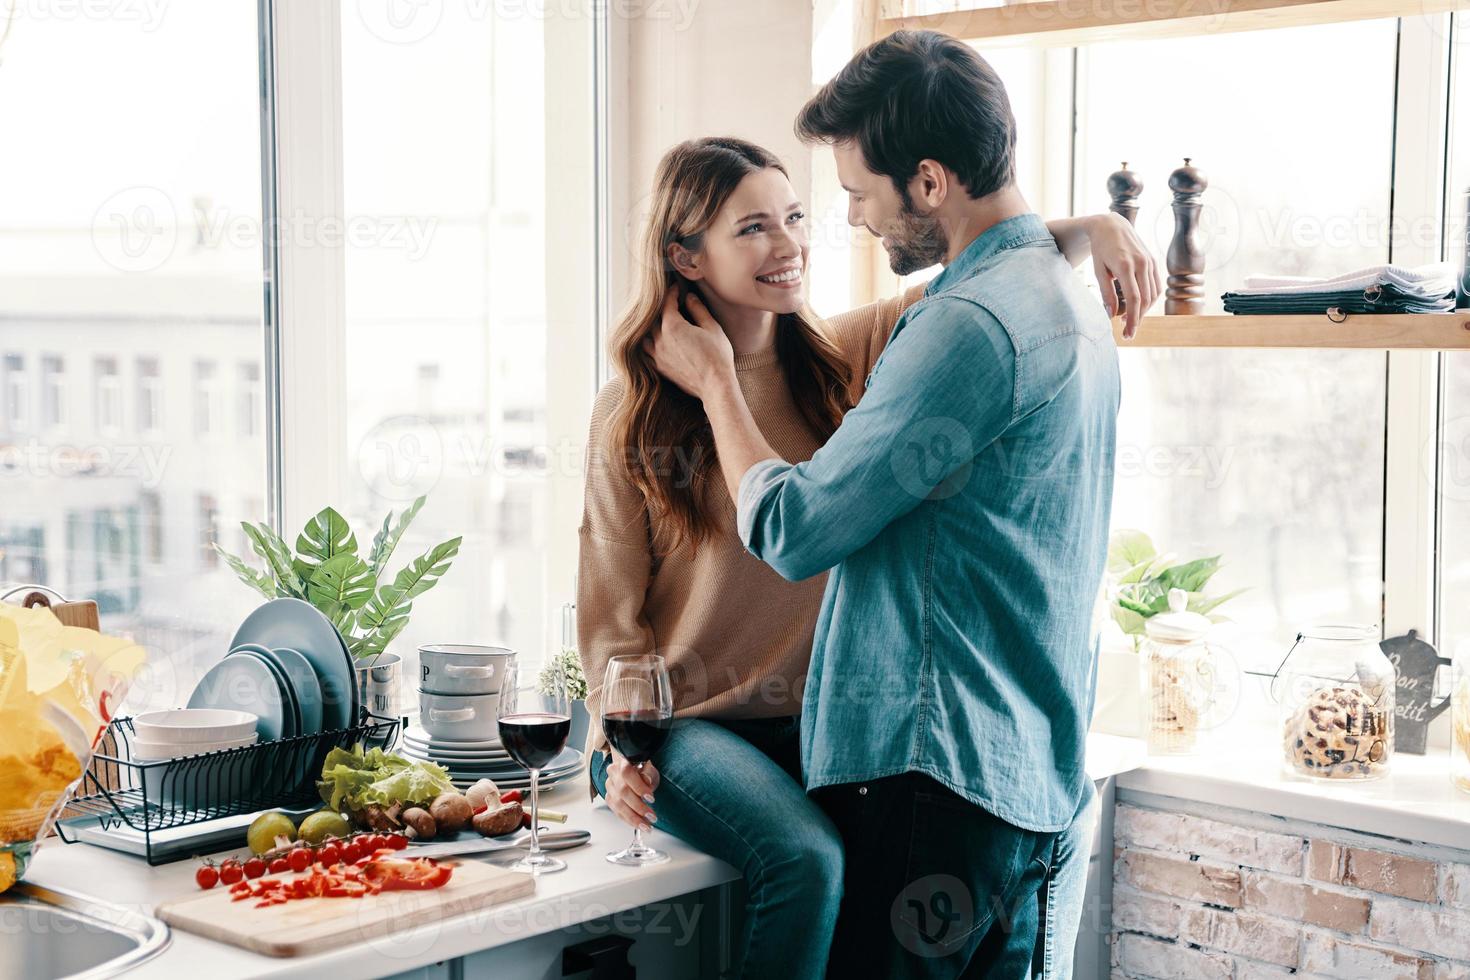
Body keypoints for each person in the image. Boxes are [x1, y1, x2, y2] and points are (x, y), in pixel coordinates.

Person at [581, 132, 1153, 978]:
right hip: (695, 725)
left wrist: (1090, 228)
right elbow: (609, 614)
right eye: (753, 229)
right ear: (684, 256)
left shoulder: (844, 354)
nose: (790, 245)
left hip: (828, 724)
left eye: (796, 217)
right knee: (808, 861)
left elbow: (980, 283)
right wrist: (612, 746)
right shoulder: (630, 414)